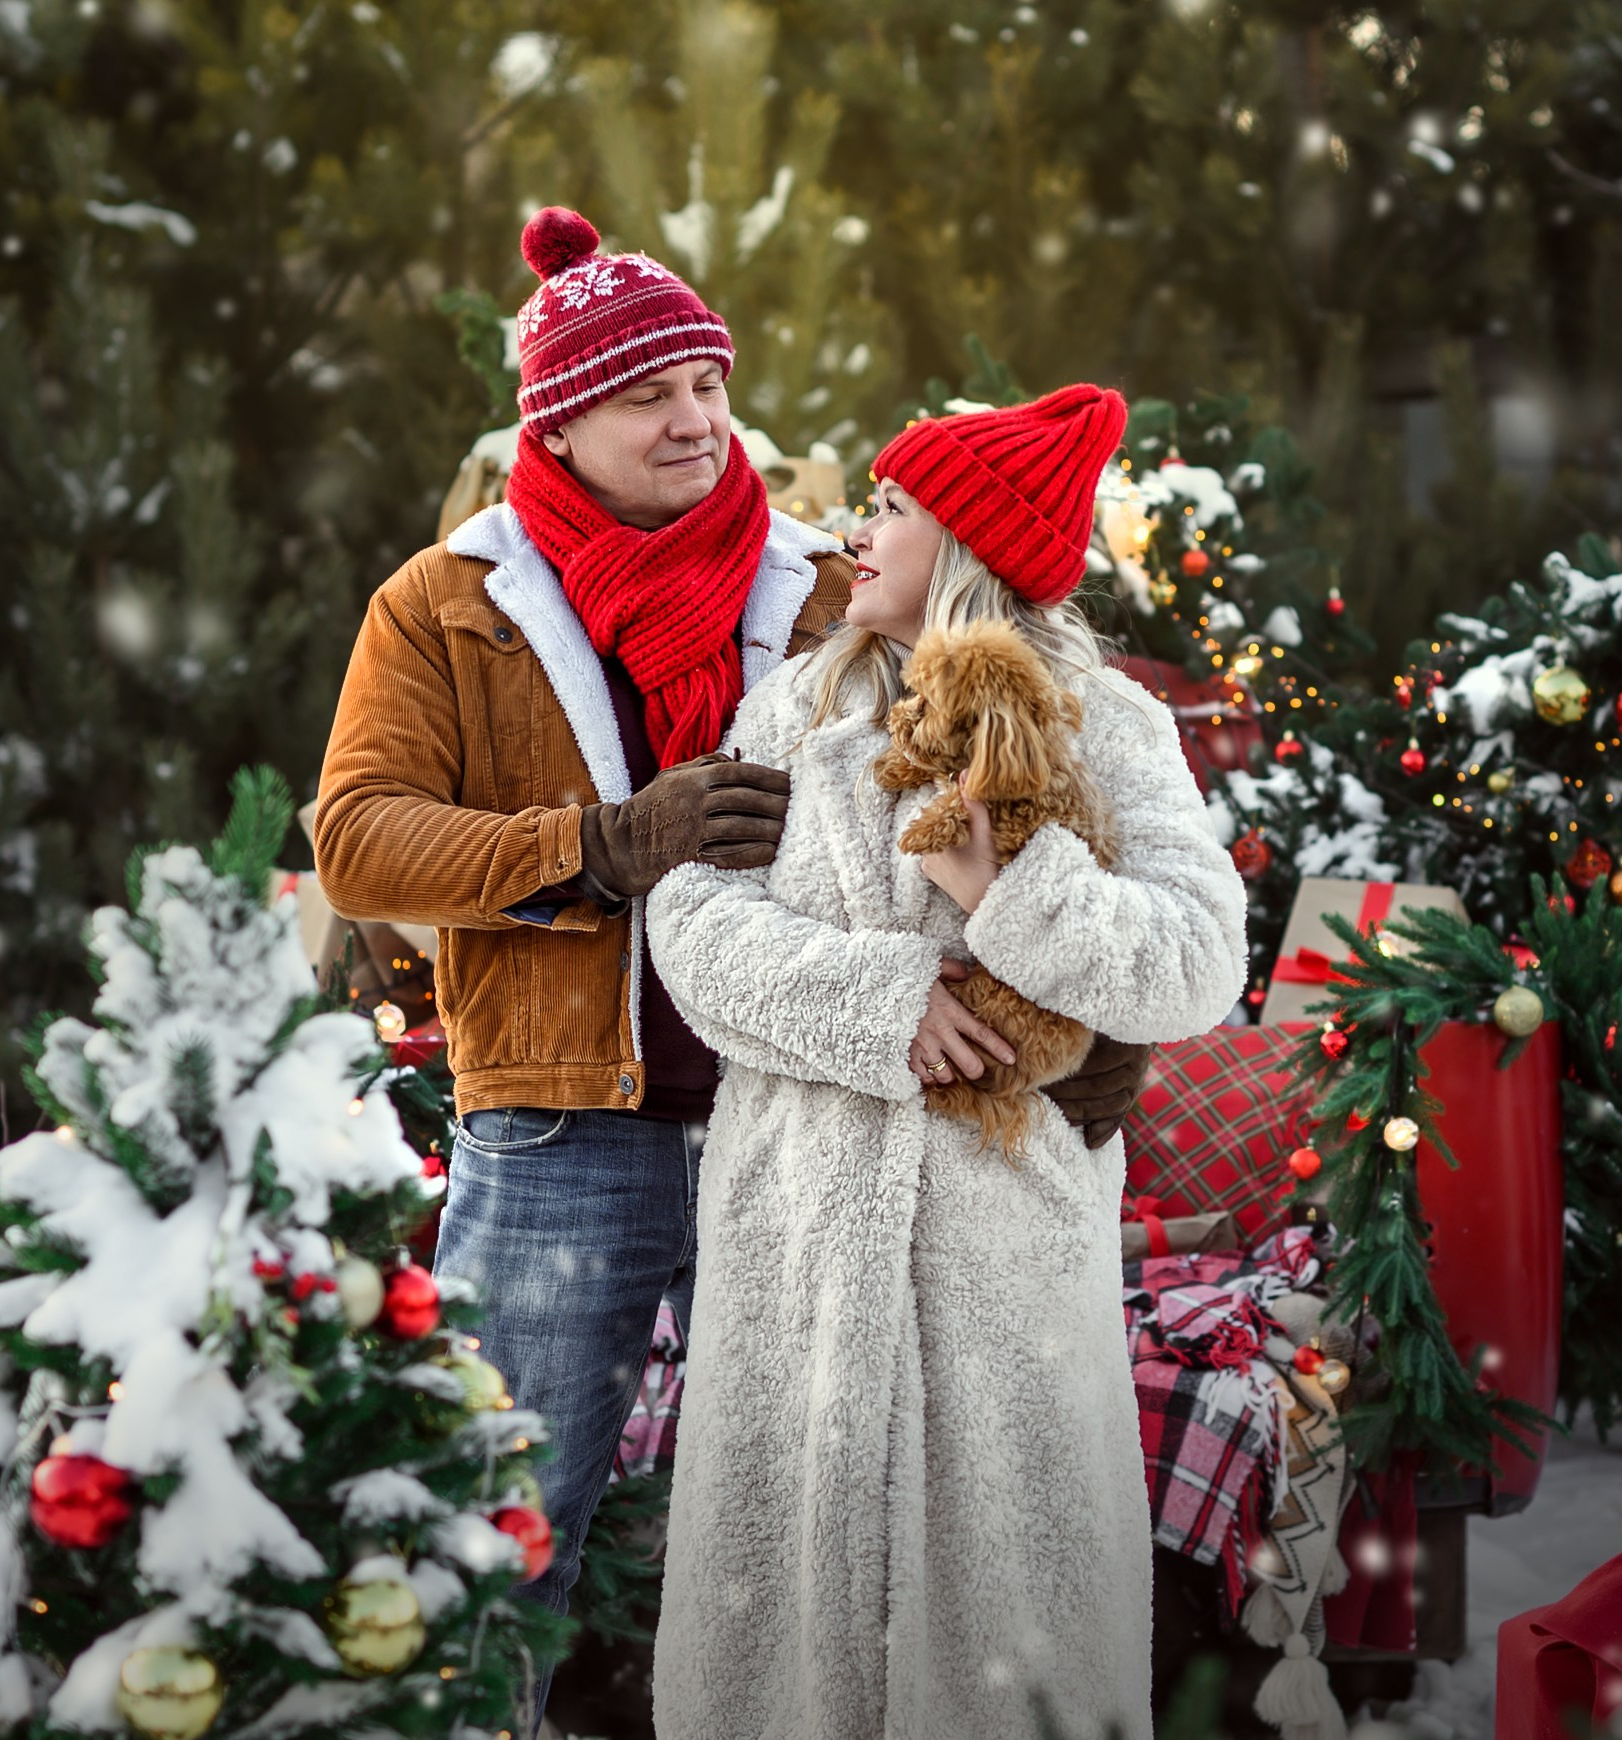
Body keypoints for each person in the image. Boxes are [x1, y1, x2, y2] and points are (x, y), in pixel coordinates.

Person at [313, 212, 1155, 1724]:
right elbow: (361, 839)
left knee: (812, 1547)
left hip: (816, 1132)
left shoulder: (835, 589)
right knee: (495, 1533)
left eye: (708, 382)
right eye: (651, 396)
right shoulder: (447, 604)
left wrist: (1090, 1004)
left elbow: (1030, 754)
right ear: (556, 422)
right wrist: (600, 844)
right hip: (566, 1126)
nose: (698, 420)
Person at [645, 385, 1249, 1740]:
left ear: (968, 542)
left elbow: (1202, 956)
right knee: (777, 1647)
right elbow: (689, 920)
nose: (860, 530)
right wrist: (883, 1003)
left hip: (1001, 1260)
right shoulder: (793, 707)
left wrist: (1016, 887)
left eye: (895, 508)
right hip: (795, 1237)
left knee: (999, 1645)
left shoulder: (1105, 724)